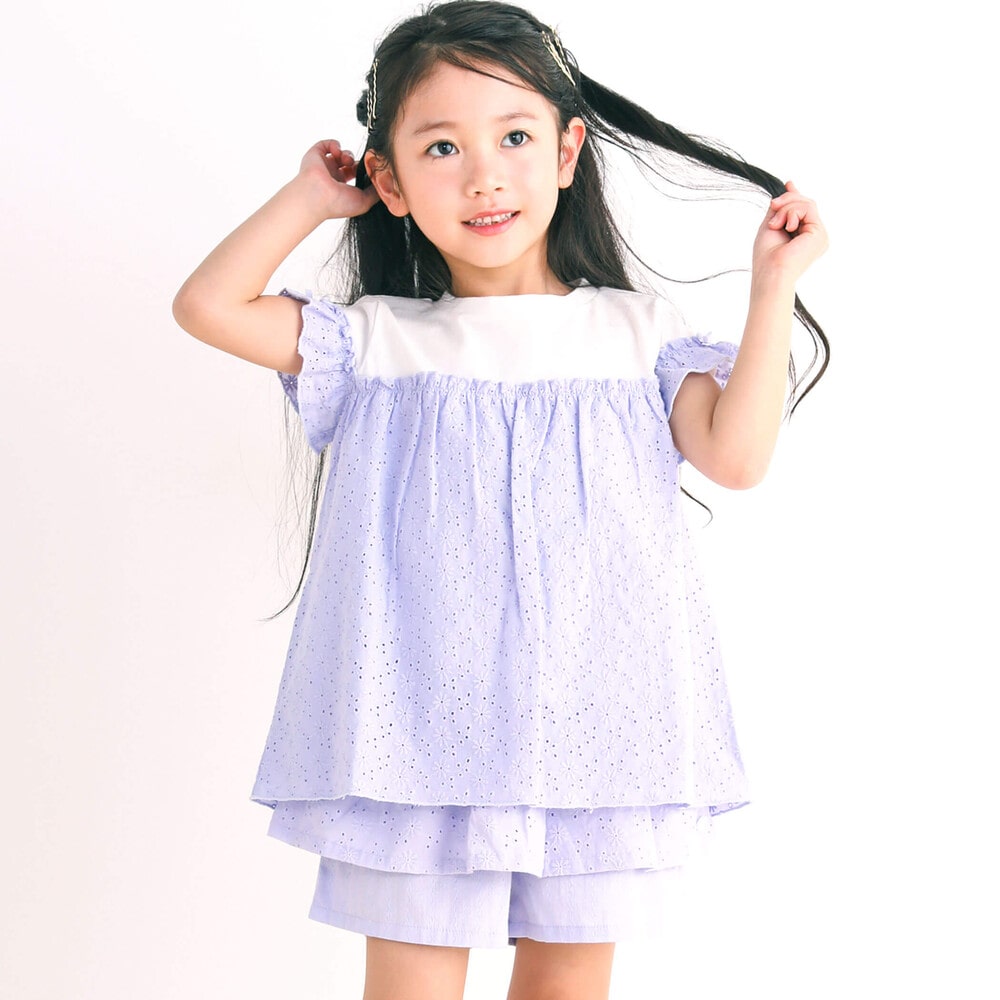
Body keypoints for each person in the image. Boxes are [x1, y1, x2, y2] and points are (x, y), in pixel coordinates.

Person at [173, 2, 829, 997]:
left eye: (514, 137)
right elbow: (207, 306)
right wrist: (309, 197)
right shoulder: (377, 341)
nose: (483, 175)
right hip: (412, 740)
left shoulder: (636, 333)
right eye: (441, 147)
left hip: (597, 734)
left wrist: (772, 286)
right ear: (390, 182)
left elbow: (736, 459)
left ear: (567, 152)